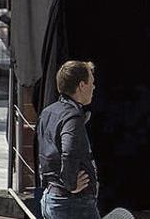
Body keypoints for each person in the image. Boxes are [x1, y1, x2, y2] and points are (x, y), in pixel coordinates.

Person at [38, 60, 100, 219]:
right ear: (81, 85)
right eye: (91, 83)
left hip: (52, 197)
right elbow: (69, 151)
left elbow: (44, 153)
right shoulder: (72, 117)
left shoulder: (48, 112)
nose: (94, 87)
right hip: (72, 203)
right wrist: (70, 183)